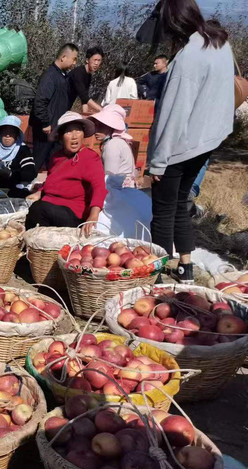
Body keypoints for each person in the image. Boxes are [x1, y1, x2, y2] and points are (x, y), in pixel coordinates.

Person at [147, 2, 234, 281]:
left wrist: (158, 163)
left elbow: (174, 113)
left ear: (172, 23)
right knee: (181, 203)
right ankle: (185, 268)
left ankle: (157, 276)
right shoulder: (219, 44)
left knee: (162, 210)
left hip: (180, 145)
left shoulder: (188, 58)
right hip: (207, 140)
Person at [25, 112, 106, 235]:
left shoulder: (90, 157)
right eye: (68, 132)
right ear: (61, 137)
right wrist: (40, 191)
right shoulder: (56, 157)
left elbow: (99, 187)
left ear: (83, 134)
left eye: (78, 131)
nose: (74, 136)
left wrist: (93, 215)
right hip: (49, 206)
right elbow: (52, 178)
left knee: (38, 209)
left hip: (72, 214)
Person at [29, 43, 79, 172]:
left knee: (53, 162)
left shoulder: (61, 76)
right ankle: (24, 187)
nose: (74, 63)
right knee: (38, 160)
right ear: (63, 57)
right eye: (74, 59)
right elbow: (40, 101)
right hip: (45, 129)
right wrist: (45, 123)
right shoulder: (50, 76)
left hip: (55, 127)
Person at [0, 115, 37, 198]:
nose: (7, 135)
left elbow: (30, 173)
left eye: (11, 132)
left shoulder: (22, 149)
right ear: (0, 133)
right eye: (5, 132)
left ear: (16, 135)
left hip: (14, 188)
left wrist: (10, 174)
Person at [89, 104, 137, 185]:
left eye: (101, 126)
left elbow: (110, 179)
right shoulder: (119, 142)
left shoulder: (112, 145)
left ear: (111, 127)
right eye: (96, 126)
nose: (96, 130)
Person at [68, 46, 105, 113]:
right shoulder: (78, 73)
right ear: (87, 60)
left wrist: (85, 114)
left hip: (66, 107)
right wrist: (101, 110)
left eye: (99, 60)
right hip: (56, 106)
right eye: (95, 60)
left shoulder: (88, 75)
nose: (96, 63)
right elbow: (84, 96)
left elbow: (84, 99)